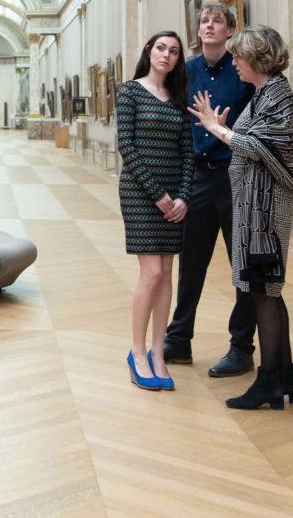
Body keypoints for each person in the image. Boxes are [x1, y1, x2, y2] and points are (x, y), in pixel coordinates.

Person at [189, 25, 293, 410]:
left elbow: (260, 147)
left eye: (239, 55)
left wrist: (218, 130)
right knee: (267, 291)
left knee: (262, 292)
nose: (234, 60)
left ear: (257, 57)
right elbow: (256, 142)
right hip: (256, 208)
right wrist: (222, 128)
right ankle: (285, 376)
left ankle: (268, 382)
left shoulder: (277, 94)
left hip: (265, 211)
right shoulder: (264, 93)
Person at [164, 3, 257, 377]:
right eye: (204, 20)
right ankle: (178, 339)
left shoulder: (242, 71)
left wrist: (225, 130)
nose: (209, 25)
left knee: (242, 266)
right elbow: (175, 122)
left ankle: (241, 347)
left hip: (235, 176)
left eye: (217, 20)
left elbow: (254, 124)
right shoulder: (186, 71)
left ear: (230, 30)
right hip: (198, 177)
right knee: (191, 263)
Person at [117, 32, 194, 391]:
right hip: (139, 193)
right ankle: (137, 352)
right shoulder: (130, 91)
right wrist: (158, 194)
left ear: (178, 59)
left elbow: (187, 153)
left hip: (172, 199)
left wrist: (183, 197)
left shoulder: (179, 99)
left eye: (174, 51)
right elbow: (127, 146)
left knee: (166, 275)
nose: (166, 55)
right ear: (149, 50)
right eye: (161, 48)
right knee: (151, 274)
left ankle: (158, 353)